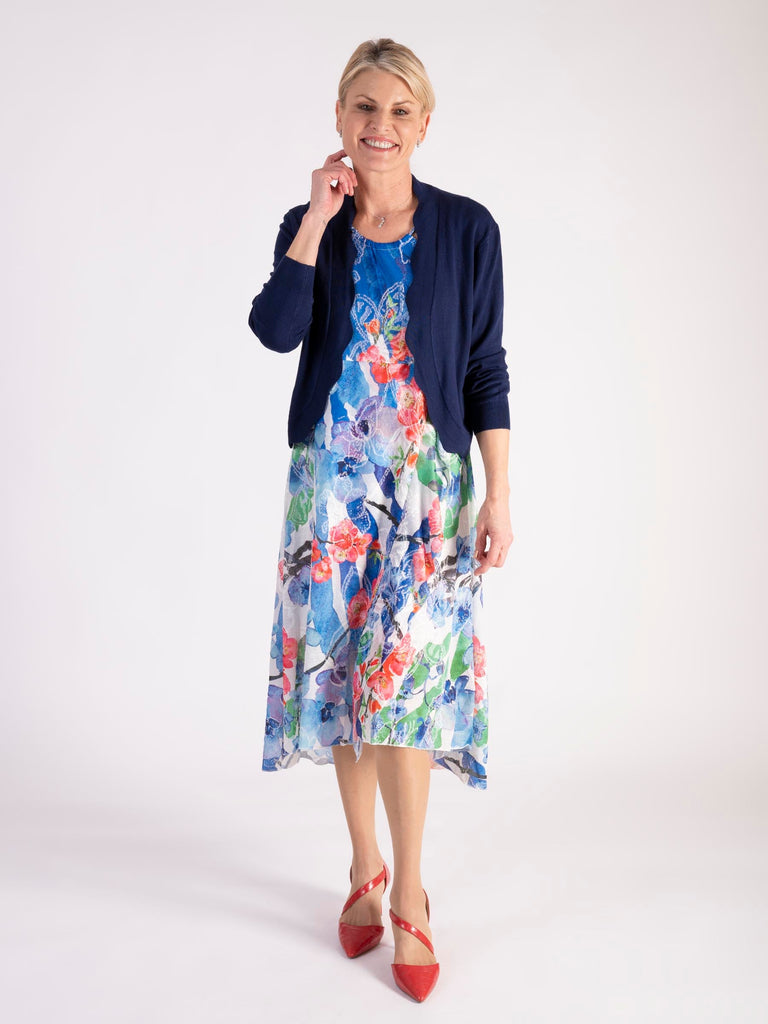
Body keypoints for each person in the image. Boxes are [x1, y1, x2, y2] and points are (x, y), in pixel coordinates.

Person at [247, 37, 514, 1002]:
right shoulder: (310, 224)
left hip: (429, 495)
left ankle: (410, 891)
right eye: (364, 107)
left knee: (407, 689)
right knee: (342, 682)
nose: (380, 125)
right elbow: (275, 330)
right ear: (339, 118)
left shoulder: (468, 229)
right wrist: (317, 221)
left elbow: (484, 367)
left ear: (425, 124)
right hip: (330, 488)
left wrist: (498, 491)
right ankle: (362, 865)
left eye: (400, 111)